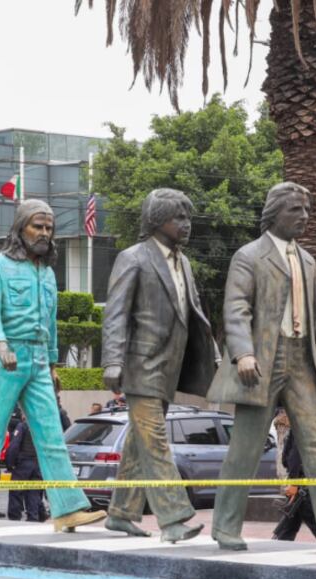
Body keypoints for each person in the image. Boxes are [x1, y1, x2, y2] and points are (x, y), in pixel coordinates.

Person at [207, 182, 316, 554]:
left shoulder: (308, 261)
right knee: (245, 446)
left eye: (307, 210)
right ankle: (226, 527)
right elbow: (236, 309)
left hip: (302, 361)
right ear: (274, 212)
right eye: (296, 210)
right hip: (260, 361)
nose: (304, 217)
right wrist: (242, 353)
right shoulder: (248, 256)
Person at [0, 199, 106, 533]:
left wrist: (51, 363)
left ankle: (66, 509)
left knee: (51, 435)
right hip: (8, 358)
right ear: (21, 228)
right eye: (38, 226)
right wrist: (0, 343)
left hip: (38, 361)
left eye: (49, 227)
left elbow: (50, 322)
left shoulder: (47, 273)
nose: (44, 233)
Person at [101, 188, 218, 543]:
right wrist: (112, 361)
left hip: (170, 367)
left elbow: (195, 312)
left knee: (139, 444)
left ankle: (121, 513)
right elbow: (115, 314)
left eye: (188, 218)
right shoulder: (133, 258)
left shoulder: (183, 262)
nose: (186, 225)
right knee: (155, 442)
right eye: (178, 218)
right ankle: (174, 518)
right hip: (141, 367)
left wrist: (211, 351)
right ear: (157, 221)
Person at [272, 430, 316, 542]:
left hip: (301, 481)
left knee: (291, 521)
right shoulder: (304, 428)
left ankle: (280, 544)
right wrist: (294, 482)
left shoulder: (297, 427)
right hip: (301, 482)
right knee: (314, 520)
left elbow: (287, 459)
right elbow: (295, 457)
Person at [5, 416, 46, 522]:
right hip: (38, 464)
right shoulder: (42, 427)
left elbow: (14, 446)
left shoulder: (23, 426)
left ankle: (15, 517)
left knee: (16, 491)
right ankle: (33, 517)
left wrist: (10, 464)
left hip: (23, 464)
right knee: (34, 492)